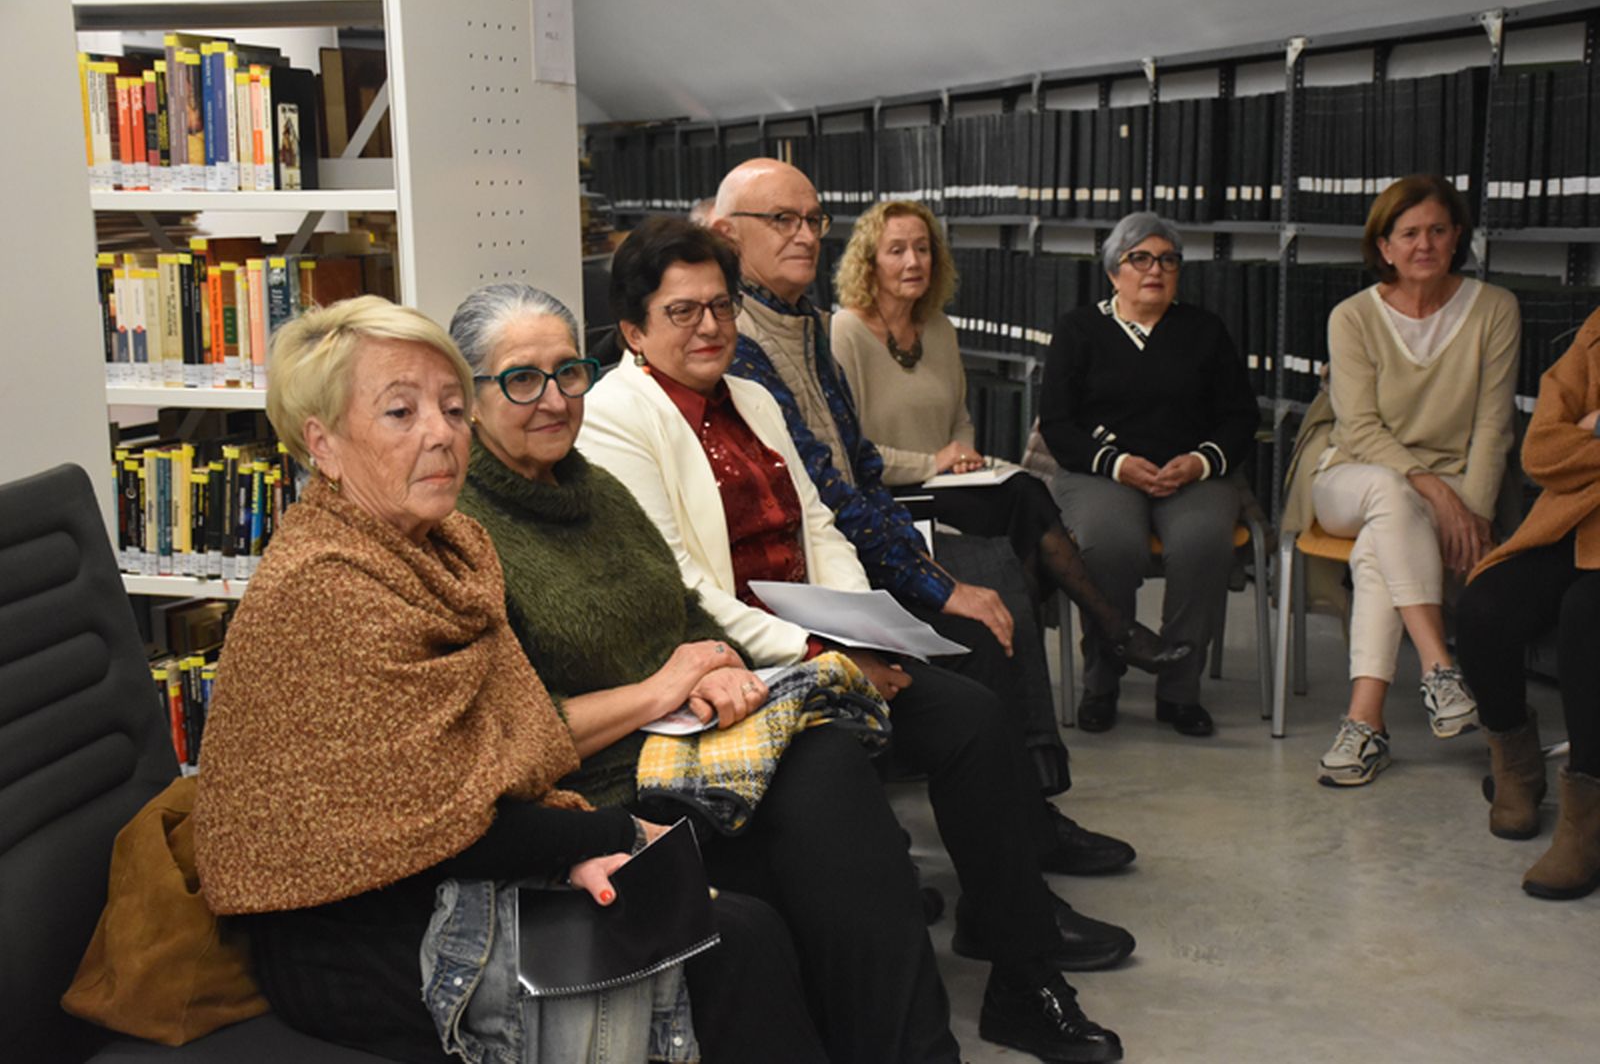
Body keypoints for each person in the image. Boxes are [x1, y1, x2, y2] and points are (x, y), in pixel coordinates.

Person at [192, 296, 826, 1064]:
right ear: (322, 443)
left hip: (448, 875)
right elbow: (434, 827)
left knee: (748, 896)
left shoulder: (446, 545)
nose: (440, 433)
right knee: (733, 941)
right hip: (356, 936)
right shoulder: (331, 586)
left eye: (453, 409)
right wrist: (613, 835)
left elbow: (490, 771)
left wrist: (574, 849)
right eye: (401, 412)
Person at [581, 216, 1129, 1064]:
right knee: (848, 769)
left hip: (818, 648)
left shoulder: (754, 395)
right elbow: (687, 584)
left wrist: (855, 626)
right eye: (682, 312)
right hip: (740, 676)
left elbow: (821, 524)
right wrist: (824, 657)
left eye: (721, 307)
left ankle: (1022, 974)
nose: (711, 328)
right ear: (633, 330)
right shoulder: (615, 416)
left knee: (975, 720)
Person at [450, 281, 962, 1063]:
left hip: (695, 750)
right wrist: (665, 685)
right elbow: (512, 735)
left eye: (569, 372)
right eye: (522, 379)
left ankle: (912, 1052)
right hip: (603, 792)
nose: (553, 400)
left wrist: (714, 662)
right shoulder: (466, 535)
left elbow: (681, 608)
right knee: (821, 855)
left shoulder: (597, 490)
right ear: (470, 396)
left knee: (831, 772)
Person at [711, 157, 1136, 877]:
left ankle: (1028, 826)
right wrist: (934, 586)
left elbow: (859, 470)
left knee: (996, 584)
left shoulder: (807, 327)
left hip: (856, 553)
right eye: (782, 220)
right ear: (726, 235)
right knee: (977, 612)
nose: (806, 236)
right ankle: (1012, 854)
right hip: (806, 585)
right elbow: (826, 491)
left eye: (814, 220)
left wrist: (928, 569)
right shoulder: (740, 347)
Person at [831, 198, 1191, 675]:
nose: (913, 261)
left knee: (1025, 503)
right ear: (869, 261)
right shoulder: (845, 332)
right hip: (887, 494)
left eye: (922, 248)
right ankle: (1112, 630)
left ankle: (1039, 656)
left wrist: (959, 456)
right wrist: (934, 462)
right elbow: (850, 450)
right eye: (896, 250)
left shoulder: (938, 328)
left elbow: (959, 417)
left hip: (945, 484)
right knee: (1027, 504)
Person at [1303, 175, 1519, 787]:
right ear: (1384, 247)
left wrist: (1469, 513)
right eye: (1409, 233)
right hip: (1350, 476)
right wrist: (1439, 494)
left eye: (1438, 230)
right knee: (1389, 496)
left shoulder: (1495, 309)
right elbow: (1362, 429)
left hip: (1439, 493)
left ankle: (1364, 725)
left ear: (1457, 239)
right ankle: (1438, 666)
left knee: (1379, 548)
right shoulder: (1352, 317)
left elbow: (1493, 424)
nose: (1424, 244)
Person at [1039, 211, 1259, 737]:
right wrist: (1117, 464)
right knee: (1110, 544)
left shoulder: (1204, 331)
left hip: (1193, 474)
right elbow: (1058, 422)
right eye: (1139, 258)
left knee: (1204, 541)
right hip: (1102, 474)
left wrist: (1200, 461)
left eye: (1167, 260)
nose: (1154, 270)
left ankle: (1179, 689)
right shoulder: (1079, 329)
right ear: (1114, 271)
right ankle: (1102, 681)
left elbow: (1240, 417)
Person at [1456, 308, 1600, 899]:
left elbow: (1565, 447)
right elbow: (1541, 451)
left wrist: (1590, 433)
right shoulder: (1596, 331)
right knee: (1485, 605)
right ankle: (1515, 765)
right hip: (1575, 522)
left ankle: (1586, 821)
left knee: (1587, 618)